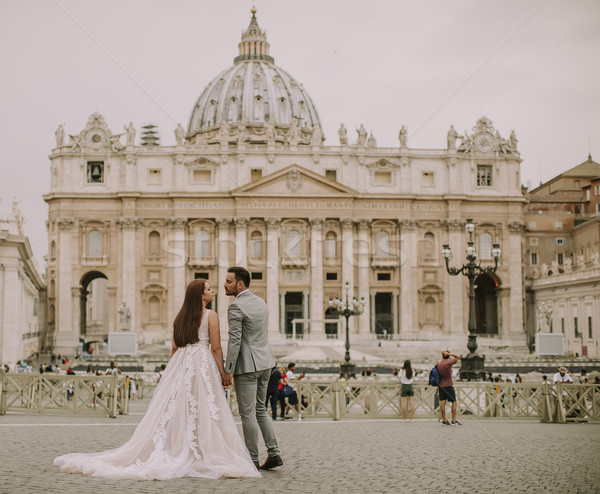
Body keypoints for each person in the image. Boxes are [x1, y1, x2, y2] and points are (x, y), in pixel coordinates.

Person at [54, 279, 260, 479]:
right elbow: (215, 347)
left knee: (180, 409)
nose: (212, 290)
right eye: (208, 288)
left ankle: (179, 447)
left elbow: (174, 347)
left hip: (181, 361)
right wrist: (224, 372)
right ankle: (200, 448)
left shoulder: (179, 317)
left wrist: (175, 371)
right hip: (202, 362)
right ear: (200, 295)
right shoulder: (211, 315)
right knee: (206, 407)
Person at [223, 266, 282, 471]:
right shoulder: (261, 302)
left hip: (247, 366)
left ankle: (251, 459)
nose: (224, 284)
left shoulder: (236, 307)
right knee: (260, 410)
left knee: (247, 413)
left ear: (240, 284)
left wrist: (228, 368)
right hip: (266, 362)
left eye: (229, 281)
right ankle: (273, 453)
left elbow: (235, 340)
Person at [438, 350, 462, 426]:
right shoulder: (448, 363)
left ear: (442, 356)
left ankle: (444, 420)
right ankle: (454, 420)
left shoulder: (439, 364)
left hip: (441, 386)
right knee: (454, 402)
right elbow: (458, 356)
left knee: (442, 402)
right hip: (448, 385)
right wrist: (449, 353)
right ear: (448, 356)